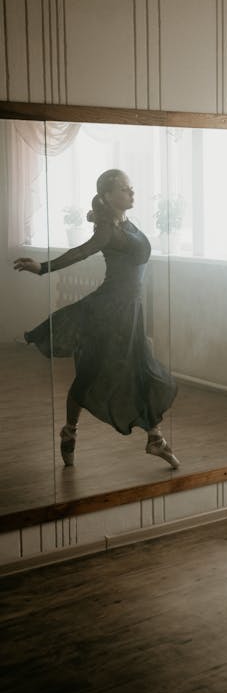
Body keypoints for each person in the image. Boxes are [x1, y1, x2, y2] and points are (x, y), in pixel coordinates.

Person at [14, 169, 179, 469]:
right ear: (107, 196)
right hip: (109, 311)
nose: (132, 193)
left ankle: (154, 438)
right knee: (91, 374)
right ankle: (70, 430)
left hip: (131, 310)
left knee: (141, 369)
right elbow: (81, 253)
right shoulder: (107, 230)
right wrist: (42, 268)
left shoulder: (127, 223)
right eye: (125, 189)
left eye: (131, 188)